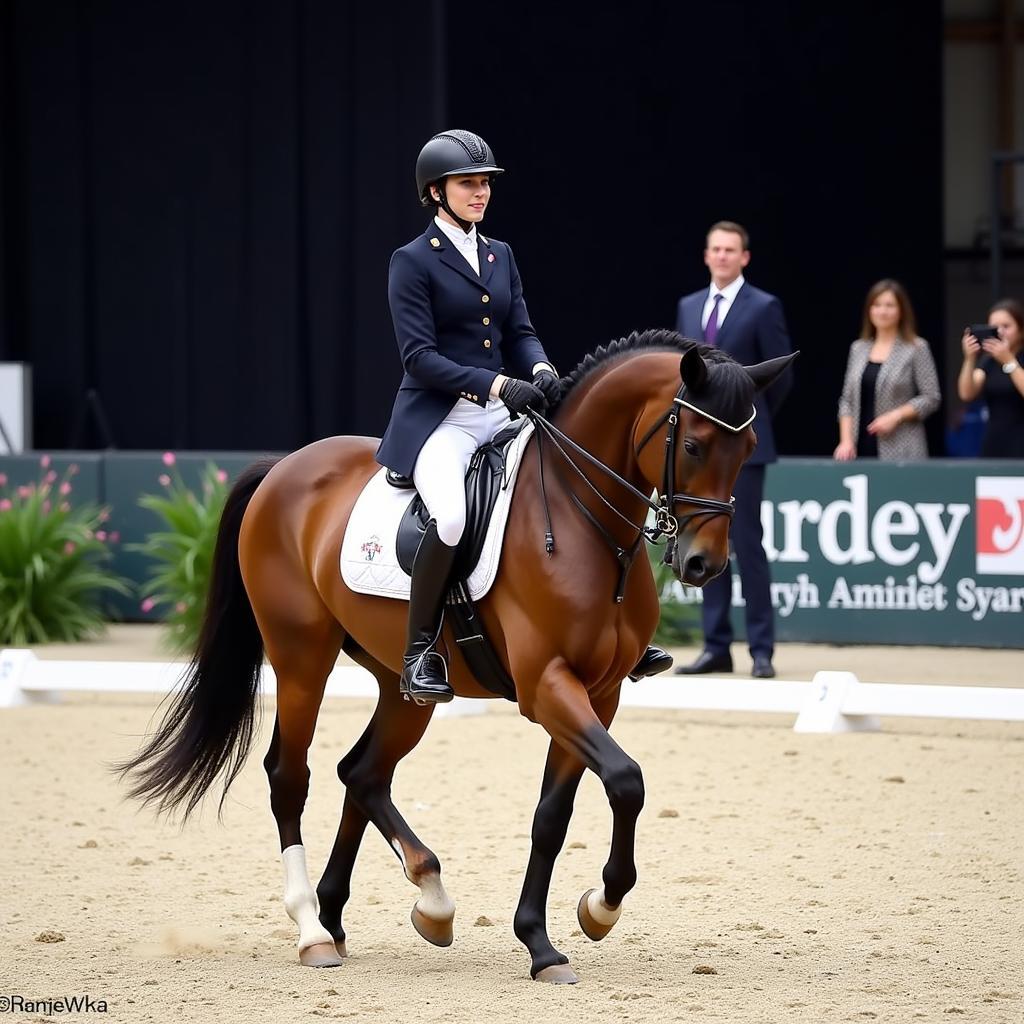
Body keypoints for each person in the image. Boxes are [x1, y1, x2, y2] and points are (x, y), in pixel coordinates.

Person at [376, 129, 669, 704]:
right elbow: (420, 357)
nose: (480, 192)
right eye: (468, 184)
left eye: (484, 183)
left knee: (587, 482)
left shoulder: (498, 253)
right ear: (436, 192)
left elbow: (521, 332)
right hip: (443, 421)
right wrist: (497, 383)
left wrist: (538, 371)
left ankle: (623, 632)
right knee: (454, 519)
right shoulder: (411, 262)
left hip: (505, 411)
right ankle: (418, 653)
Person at [673, 221, 793, 679]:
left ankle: (762, 649)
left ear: (744, 257)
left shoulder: (764, 306)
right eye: (716, 249)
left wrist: (746, 430)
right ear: (707, 256)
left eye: (731, 250)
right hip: (702, 450)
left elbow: (779, 378)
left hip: (742, 449)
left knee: (748, 545)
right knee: (705, 538)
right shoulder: (689, 306)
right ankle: (716, 646)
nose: (722, 256)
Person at [833, 279, 940, 462]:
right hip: (859, 448)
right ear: (869, 310)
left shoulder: (916, 348)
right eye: (877, 305)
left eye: (890, 305)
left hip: (902, 448)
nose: (882, 311)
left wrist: (896, 416)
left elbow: (931, 397)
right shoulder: (858, 348)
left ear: (901, 311)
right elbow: (847, 401)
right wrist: (846, 441)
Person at [956, 298, 1024, 458]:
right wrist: (969, 359)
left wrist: (1009, 361)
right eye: (995, 327)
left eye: (1006, 326)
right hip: (995, 440)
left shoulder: (1014, 358)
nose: (1000, 332)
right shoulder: (989, 361)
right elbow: (967, 393)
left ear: (1020, 330)